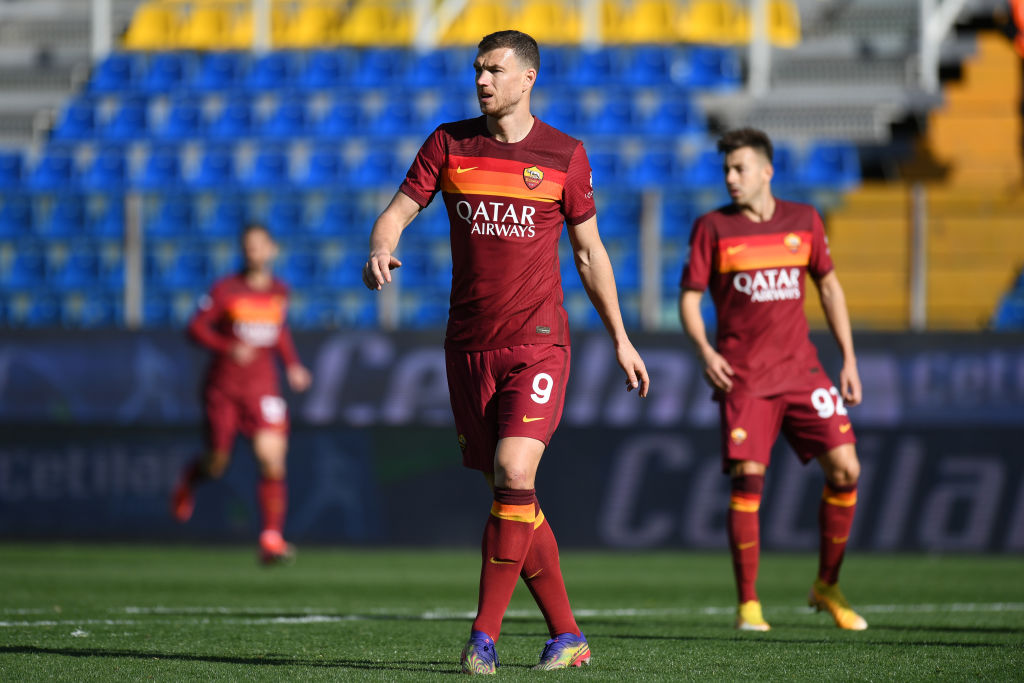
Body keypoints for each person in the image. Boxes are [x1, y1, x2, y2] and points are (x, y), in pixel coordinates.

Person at [362, 30, 649, 674]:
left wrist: (621, 338)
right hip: (468, 346)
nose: (482, 80)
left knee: (515, 471)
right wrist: (380, 247)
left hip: (538, 343)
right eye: (477, 70)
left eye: (494, 70)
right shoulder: (448, 143)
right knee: (511, 492)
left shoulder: (564, 155)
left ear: (528, 78)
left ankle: (483, 637)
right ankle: (568, 635)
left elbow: (588, 254)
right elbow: (395, 213)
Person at [679, 128, 867, 632]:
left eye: (739, 168)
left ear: (767, 171)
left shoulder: (804, 220)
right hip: (745, 379)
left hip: (803, 371)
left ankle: (827, 585)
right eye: (726, 169)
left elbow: (829, 288)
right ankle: (748, 604)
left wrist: (849, 359)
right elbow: (690, 298)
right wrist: (705, 351)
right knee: (748, 481)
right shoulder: (713, 228)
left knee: (846, 470)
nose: (730, 177)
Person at [171, 223, 312, 565]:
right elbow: (195, 327)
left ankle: (271, 538)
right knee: (217, 463)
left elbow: (279, 331)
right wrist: (227, 346)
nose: (253, 252)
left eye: (259, 245)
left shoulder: (279, 291)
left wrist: (292, 365)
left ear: (272, 250)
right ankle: (191, 476)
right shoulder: (225, 289)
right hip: (224, 388)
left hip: (263, 387)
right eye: (248, 246)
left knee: (272, 458)